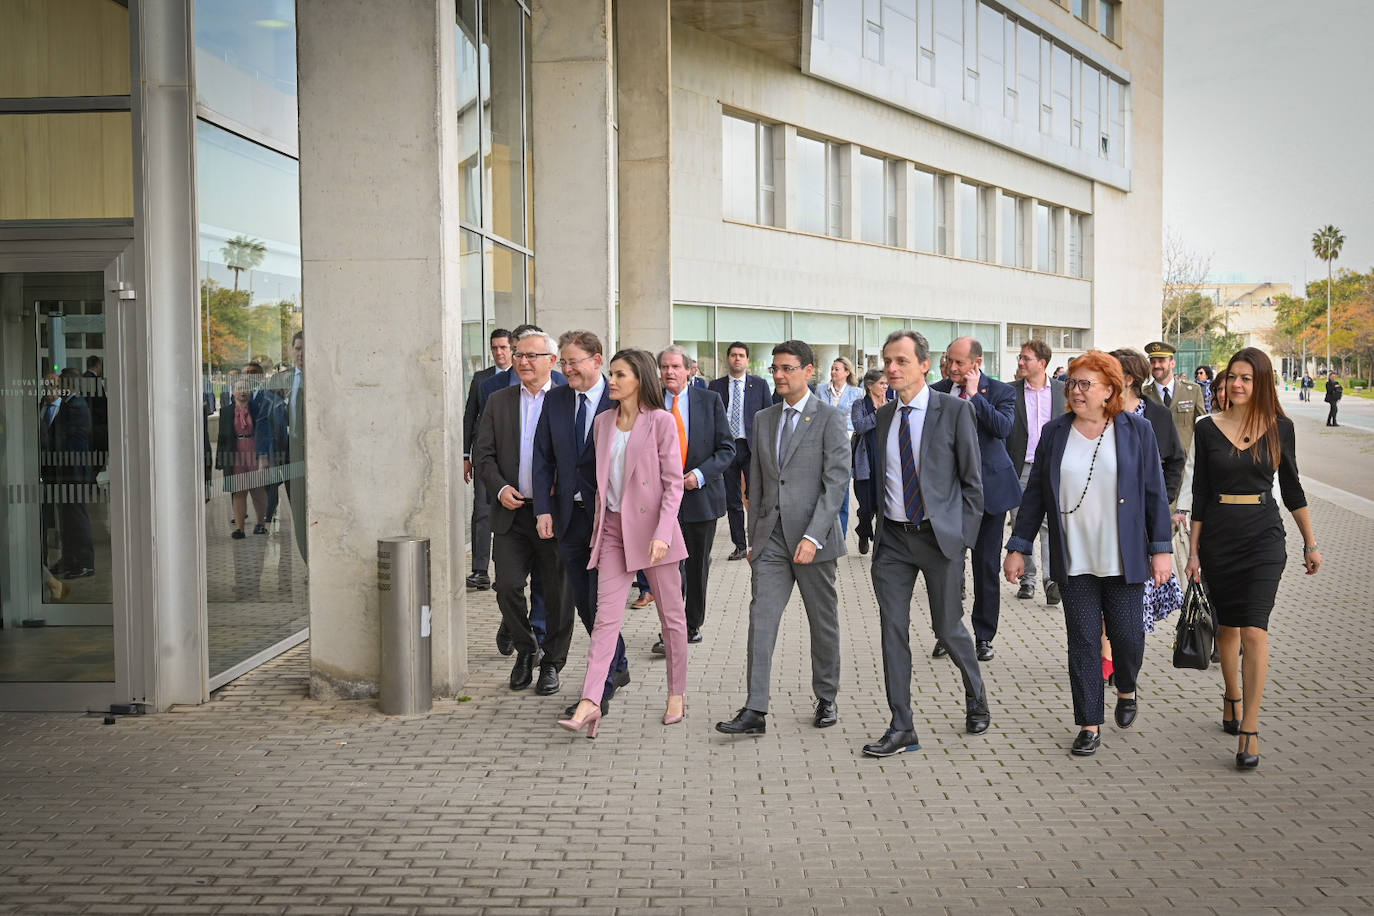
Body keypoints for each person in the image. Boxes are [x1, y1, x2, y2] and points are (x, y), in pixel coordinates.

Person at [1003, 350, 1173, 757]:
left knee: (1128, 637)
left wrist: (1161, 550)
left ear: (1110, 390)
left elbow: (1155, 494)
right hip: (1075, 557)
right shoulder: (1055, 432)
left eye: (1085, 384)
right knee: (1081, 641)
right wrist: (1018, 547)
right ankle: (1088, 723)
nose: (1075, 391)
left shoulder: (1136, 431)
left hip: (1123, 556)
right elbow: (1036, 496)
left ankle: (1127, 688)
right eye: (1073, 383)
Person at [1187, 348, 1321, 769]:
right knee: (1228, 627)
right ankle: (1231, 695)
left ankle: (1250, 727)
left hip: (1264, 535)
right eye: (1233, 377)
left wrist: (1310, 542)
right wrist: (1191, 551)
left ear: (1260, 382)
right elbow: (1200, 495)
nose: (1237, 385)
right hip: (1219, 537)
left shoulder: (1281, 427)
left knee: (1255, 630)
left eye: (1247, 378)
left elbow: (1293, 489)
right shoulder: (1207, 428)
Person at [861, 330, 987, 758]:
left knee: (947, 629)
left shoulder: (953, 411)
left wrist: (962, 540)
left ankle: (976, 694)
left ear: (924, 365)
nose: (891, 369)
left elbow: (973, 484)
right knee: (892, 630)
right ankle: (902, 726)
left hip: (939, 540)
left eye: (900, 361)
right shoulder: (883, 418)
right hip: (894, 541)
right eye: (887, 361)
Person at [716, 340, 849, 737]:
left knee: (822, 621)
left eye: (787, 368)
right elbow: (756, 481)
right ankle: (755, 708)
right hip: (771, 539)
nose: (778, 375)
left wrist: (814, 535)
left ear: (810, 371)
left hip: (813, 539)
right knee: (761, 620)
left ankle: (826, 697)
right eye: (775, 368)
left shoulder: (829, 418)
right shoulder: (763, 418)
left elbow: (836, 484)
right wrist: (753, 539)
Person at [558, 349, 690, 737]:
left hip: (653, 532)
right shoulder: (602, 424)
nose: (611, 381)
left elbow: (673, 484)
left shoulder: (661, 422)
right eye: (611, 374)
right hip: (613, 530)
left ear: (639, 379)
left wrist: (663, 532)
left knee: (672, 619)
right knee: (605, 619)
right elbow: (600, 484)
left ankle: (677, 693)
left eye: (619, 375)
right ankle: (591, 700)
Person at [471, 329, 576, 695]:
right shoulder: (499, 401)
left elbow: (581, 455)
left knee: (560, 594)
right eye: (519, 355)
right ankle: (526, 648)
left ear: (551, 361)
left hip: (555, 517)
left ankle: (552, 663)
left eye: (532, 355)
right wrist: (499, 488)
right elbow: (482, 455)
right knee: (508, 587)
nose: (524, 362)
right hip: (512, 515)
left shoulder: (568, 401)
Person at [533, 330, 630, 714]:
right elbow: (542, 458)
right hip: (570, 520)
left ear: (597, 359)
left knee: (601, 602)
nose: (568, 369)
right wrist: (543, 508)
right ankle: (617, 665)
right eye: (565, 362)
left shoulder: (619, 398)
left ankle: (600, 689)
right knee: (586, 604)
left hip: (609, 519)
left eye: (575, 361)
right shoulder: (556, 399)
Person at [931, 337, 1020, 662]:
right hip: (948, 496)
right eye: (949, 361)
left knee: (985, 568)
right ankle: (947, 632)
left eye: (959, 363)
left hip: (989, 494)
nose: (952, 368)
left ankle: (984, 636)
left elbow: (1003, 428)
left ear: (976, 364)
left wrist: (973, 397)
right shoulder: (936, 391)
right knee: (947, 568)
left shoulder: (1001, 392)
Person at [1104, 348, 1187, 681]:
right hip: (1103, 518)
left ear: (1128, 378)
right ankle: (1104, 657)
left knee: (1130, 603)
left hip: (1139, 523)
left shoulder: (1157, 416)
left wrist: (1163, 502)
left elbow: (1176, 460)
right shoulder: (1097, 414)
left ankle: (1124, 664)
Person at [651, 346, 734, 652]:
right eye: (664, 367)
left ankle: (692, 623)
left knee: (697, 565)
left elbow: (726, 448)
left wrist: (698, 476)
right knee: (668, 568)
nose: (669, 372)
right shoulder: (651, 402)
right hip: (660, 501)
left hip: (699, 497)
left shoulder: (709, 401)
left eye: (675, 366)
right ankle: (671, 628)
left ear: (689, 370)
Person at [1007, 339, 1065, 604]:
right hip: (1019, 468)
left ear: (1042, 364)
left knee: (1050, 524)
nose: (1020, 362)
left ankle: (1051, 580)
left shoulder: (1063, 391)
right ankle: (1027, 579)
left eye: (1026, 358)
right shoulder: (1010, 392)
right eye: (1020, 357)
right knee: (1023, 522)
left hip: (1054, 469)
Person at [708, 342, 770, 561]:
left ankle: (757, 542)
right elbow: (708, 418)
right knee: (732, 499)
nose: (737, 359)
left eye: (741, 355)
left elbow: (769, 417)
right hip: (726, 447)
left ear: (747, 360)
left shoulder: (759, 385)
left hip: (751, 446)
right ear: (728, 359)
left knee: (755, 496)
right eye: (733, 355)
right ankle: (740, 545)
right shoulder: (715, 386)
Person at [463, 328, 512, 593]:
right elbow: (470, 416)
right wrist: (466, 456)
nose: (499, 352)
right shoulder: (481, 379)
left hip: (512, 459)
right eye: (494, 348)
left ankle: (505, 569)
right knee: (481, 512)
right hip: (484, 455)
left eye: (503, 347)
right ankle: (480, 571)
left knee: (506, 514)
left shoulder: (519, 378)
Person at [39, 371, 95, 578]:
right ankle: (71, 559)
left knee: (76, 517)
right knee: (68, 518)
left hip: (74, 472)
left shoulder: (76, 406)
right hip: (66, 472)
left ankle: (85, 563)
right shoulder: (70, 404)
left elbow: (67, 439)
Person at [215, 376, 272, 540]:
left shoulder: (258, 408)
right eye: (239, 388)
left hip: (254, 450)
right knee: (239, 491)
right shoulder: (226, 411)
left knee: (257, 489)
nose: (242, 392)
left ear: (251, 392)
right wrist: (221, 459)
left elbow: (265, 433)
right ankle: (239, 528)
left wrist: (264, 456)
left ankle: (260, 524)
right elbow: (222, 436)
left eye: (245, 389)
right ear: (233, 392)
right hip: (236, 452)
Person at [816, 357, 863, 539]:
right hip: (823, 446)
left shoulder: (857, 393)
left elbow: (856, 421)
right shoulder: (821, 390)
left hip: (846, 447)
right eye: (832, 368)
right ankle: (822, 533)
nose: (833, 372)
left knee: (842, 493)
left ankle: (840, 537)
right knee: (823, 490)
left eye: (837, 369)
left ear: (847, 372)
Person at [850, 369, 888, 556]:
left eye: (886, 383)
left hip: (884, 461)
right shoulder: (859, 405)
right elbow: (859, 426)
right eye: (881, 383)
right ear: (869, 385)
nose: (885, 387)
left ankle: (881, 544)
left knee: (882, 506)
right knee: (865, 507)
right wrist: (878, 414)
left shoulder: (891, 404)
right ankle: (864, 532)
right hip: (865, 461)